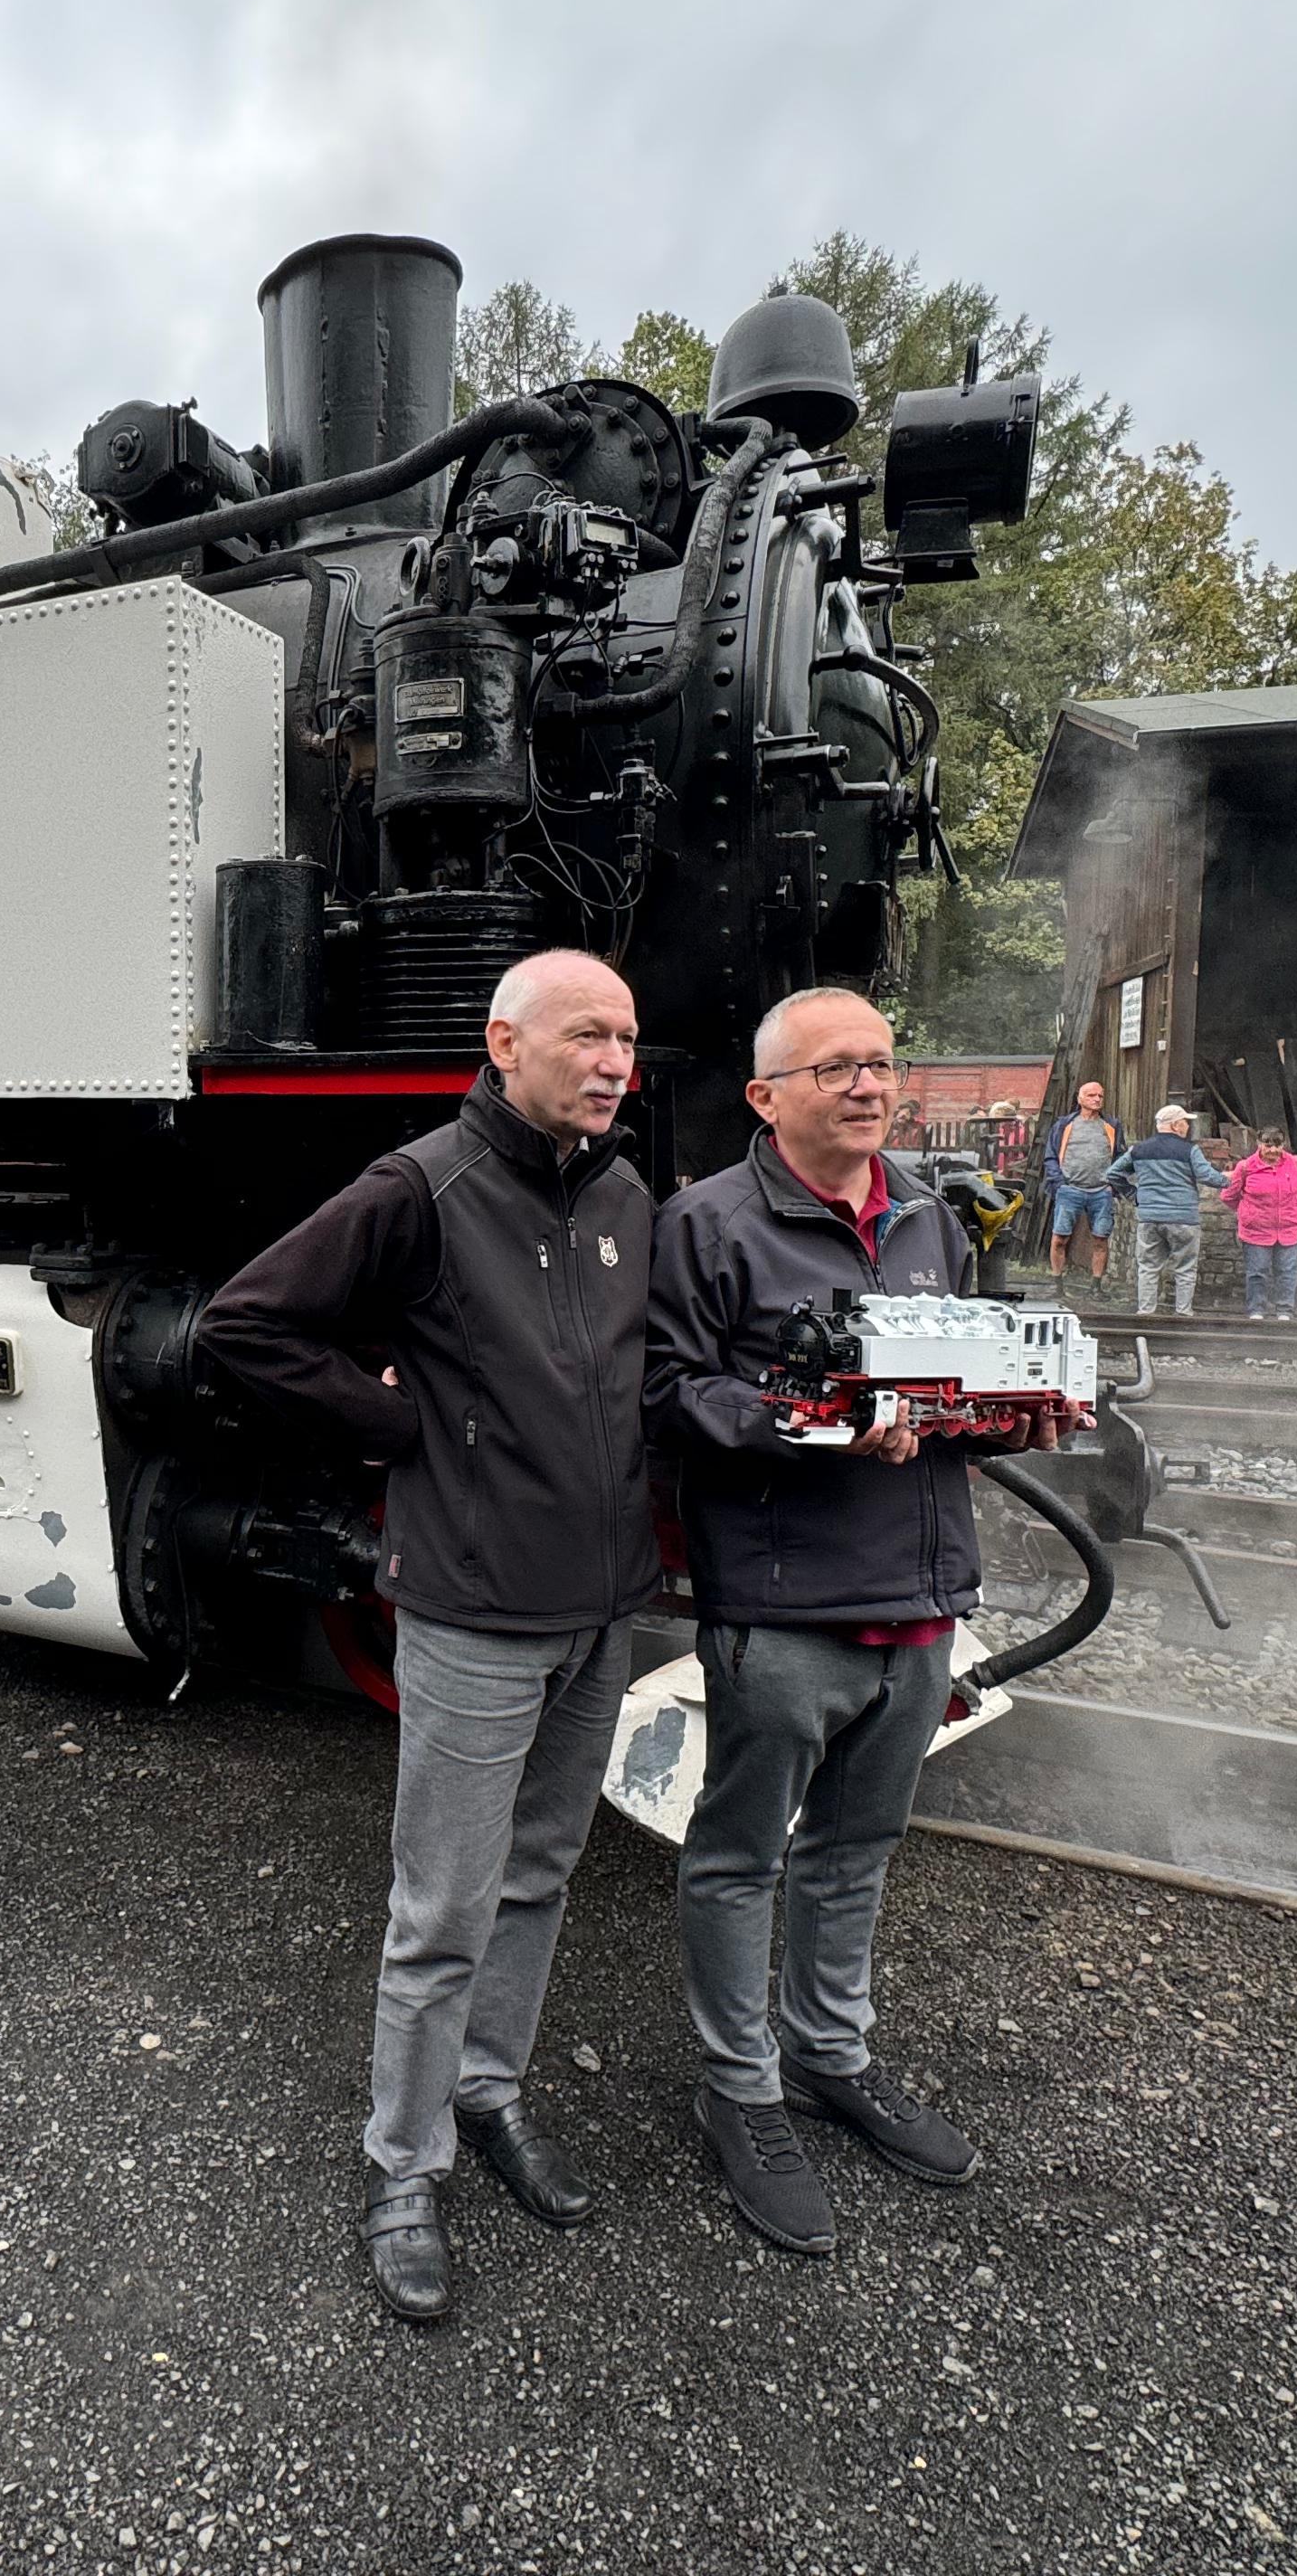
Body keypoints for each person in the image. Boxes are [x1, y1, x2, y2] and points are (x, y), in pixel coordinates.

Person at [197, 950, 657, 2324]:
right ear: (504, 1041)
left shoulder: (627, 1193)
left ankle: (489, 2095)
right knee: (442, 1903)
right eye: (587, 1035)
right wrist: (402, 1426)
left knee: (542, 1872)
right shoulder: (421, 1187)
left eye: (627, 1038)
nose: (613, 1060)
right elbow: (244, 1325)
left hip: (601, 1604)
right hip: (471, 1608)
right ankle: (404, 2165)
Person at [645, 985, 1030, 2254]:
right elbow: (670, 1395)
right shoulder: (706, 1226)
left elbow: (961, 1369)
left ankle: (828, 2055)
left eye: (880, 1063)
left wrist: (1013, 1411)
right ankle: (740, 2090)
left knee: (857, 1850)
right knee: (740, 1855)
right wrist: (806, 1422)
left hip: (922, 1595)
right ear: (767, 1097)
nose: (869, 1087)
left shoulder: (925, 1214)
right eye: (834, 1070)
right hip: (785, 1602)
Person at [1103, 1103, 1224, 1318]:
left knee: (1148, 1267)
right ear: (1176, 1125)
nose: (1187, 1126)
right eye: (1185, 1122)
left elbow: (1113, 1173)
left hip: (1150, 1217)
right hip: (1184, 1218)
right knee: (1185, 1268)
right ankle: (1183, 1312)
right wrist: (1229, 1181)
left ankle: (1146, 1312)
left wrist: (1133, 1194)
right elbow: (1206, 1176)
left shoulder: (1139, 1150)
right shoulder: (1189, 1150)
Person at [1225, 1126, 1297, 1320]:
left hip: (1291, 1230)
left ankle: (1284, 1311)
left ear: (1283, 1145)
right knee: (1257, 1272)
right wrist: (1247, 1213)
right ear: (1259, 1145)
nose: (1273, 1150)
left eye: (1277, 1145)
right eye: (1268, 1145)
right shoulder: (1245, 1167)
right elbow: (1229, 1196)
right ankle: (1256, 1310)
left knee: (1288, 1273)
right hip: (1256, 1231)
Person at [1043, 1081, 1120, 1293]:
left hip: (1101, 1192)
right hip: (1070, 1190)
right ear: (1080, 1099)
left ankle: (1096, 1286)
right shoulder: (1064, 1125)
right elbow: (1050, 1156)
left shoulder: (1111, 1126)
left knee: (1101, 1239)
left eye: (1100, 1096)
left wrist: (1112, 1185)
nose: (1096, 1099)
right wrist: (1059, 1183)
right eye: (1091, 1095)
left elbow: (1121, 1157)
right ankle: (1057, 1284)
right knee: (1059, 1238)